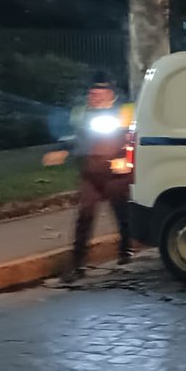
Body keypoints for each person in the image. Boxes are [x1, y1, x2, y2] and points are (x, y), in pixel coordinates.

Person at [43, 73, 135, 282]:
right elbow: (74, 136)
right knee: (84, 216)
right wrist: (61, 150)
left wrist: (126, 159)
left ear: (110, 93)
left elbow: (132, 136)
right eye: (91, 93)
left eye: (98, 93)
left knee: (121, 212)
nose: (94, 97)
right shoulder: (81, 112)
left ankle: (126, 248)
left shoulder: (124, 111)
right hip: (89, 172)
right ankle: (77, 264)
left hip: (115, 172)